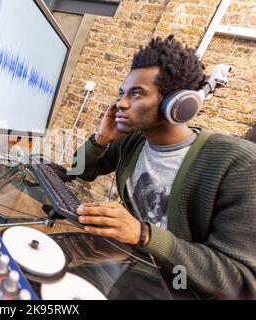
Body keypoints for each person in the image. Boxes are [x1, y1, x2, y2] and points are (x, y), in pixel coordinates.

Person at [68, 35, 256, 299]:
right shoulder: (133, 142)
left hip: (177, 288)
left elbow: (240, 282)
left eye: (136, 93)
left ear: (177, 104)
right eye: (122, 93)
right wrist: (100, 140)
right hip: (132, 263)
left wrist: (143, 235)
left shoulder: (239, 163)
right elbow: (79, 172)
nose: (120, 103)